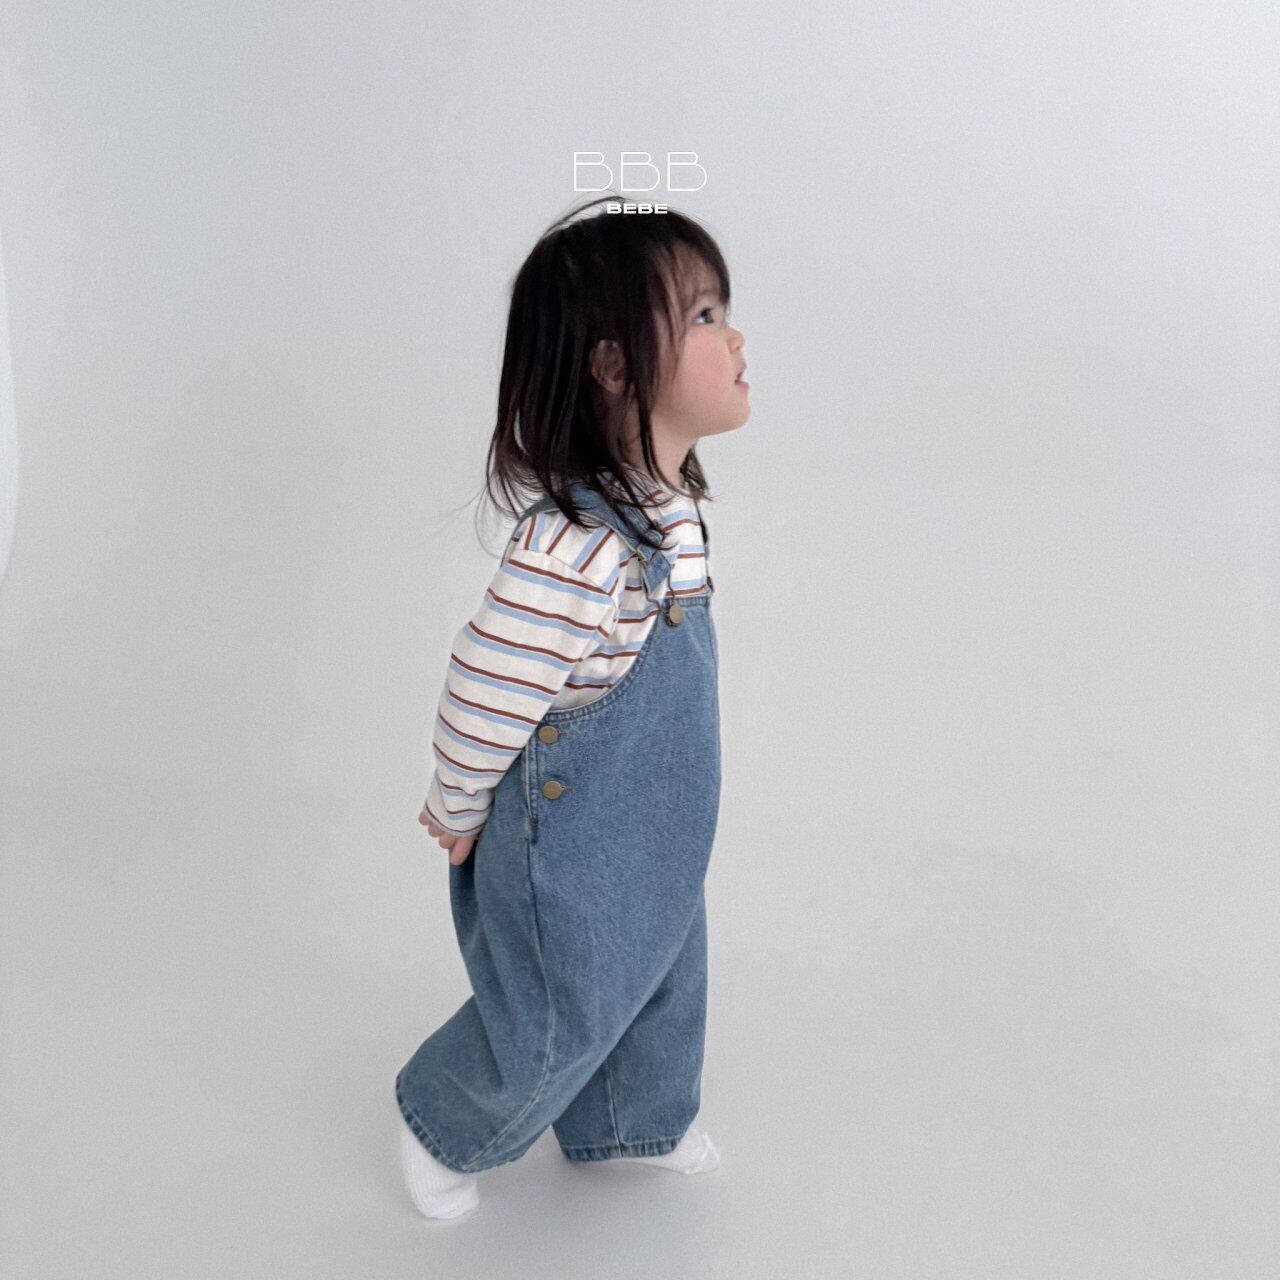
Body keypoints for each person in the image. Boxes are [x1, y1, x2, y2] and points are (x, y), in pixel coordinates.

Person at [394, 194, 750, 1221]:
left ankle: (635, 1120)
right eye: (701, 316)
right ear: (612, 366)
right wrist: (457, 804)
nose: (735, 338)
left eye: (724, 311)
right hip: (570, 849)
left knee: (663, 975)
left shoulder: (672, 509)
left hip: (656, 831)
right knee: (559, 1003)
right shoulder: (576, 546)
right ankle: (441, 1117)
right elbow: (486, 684)